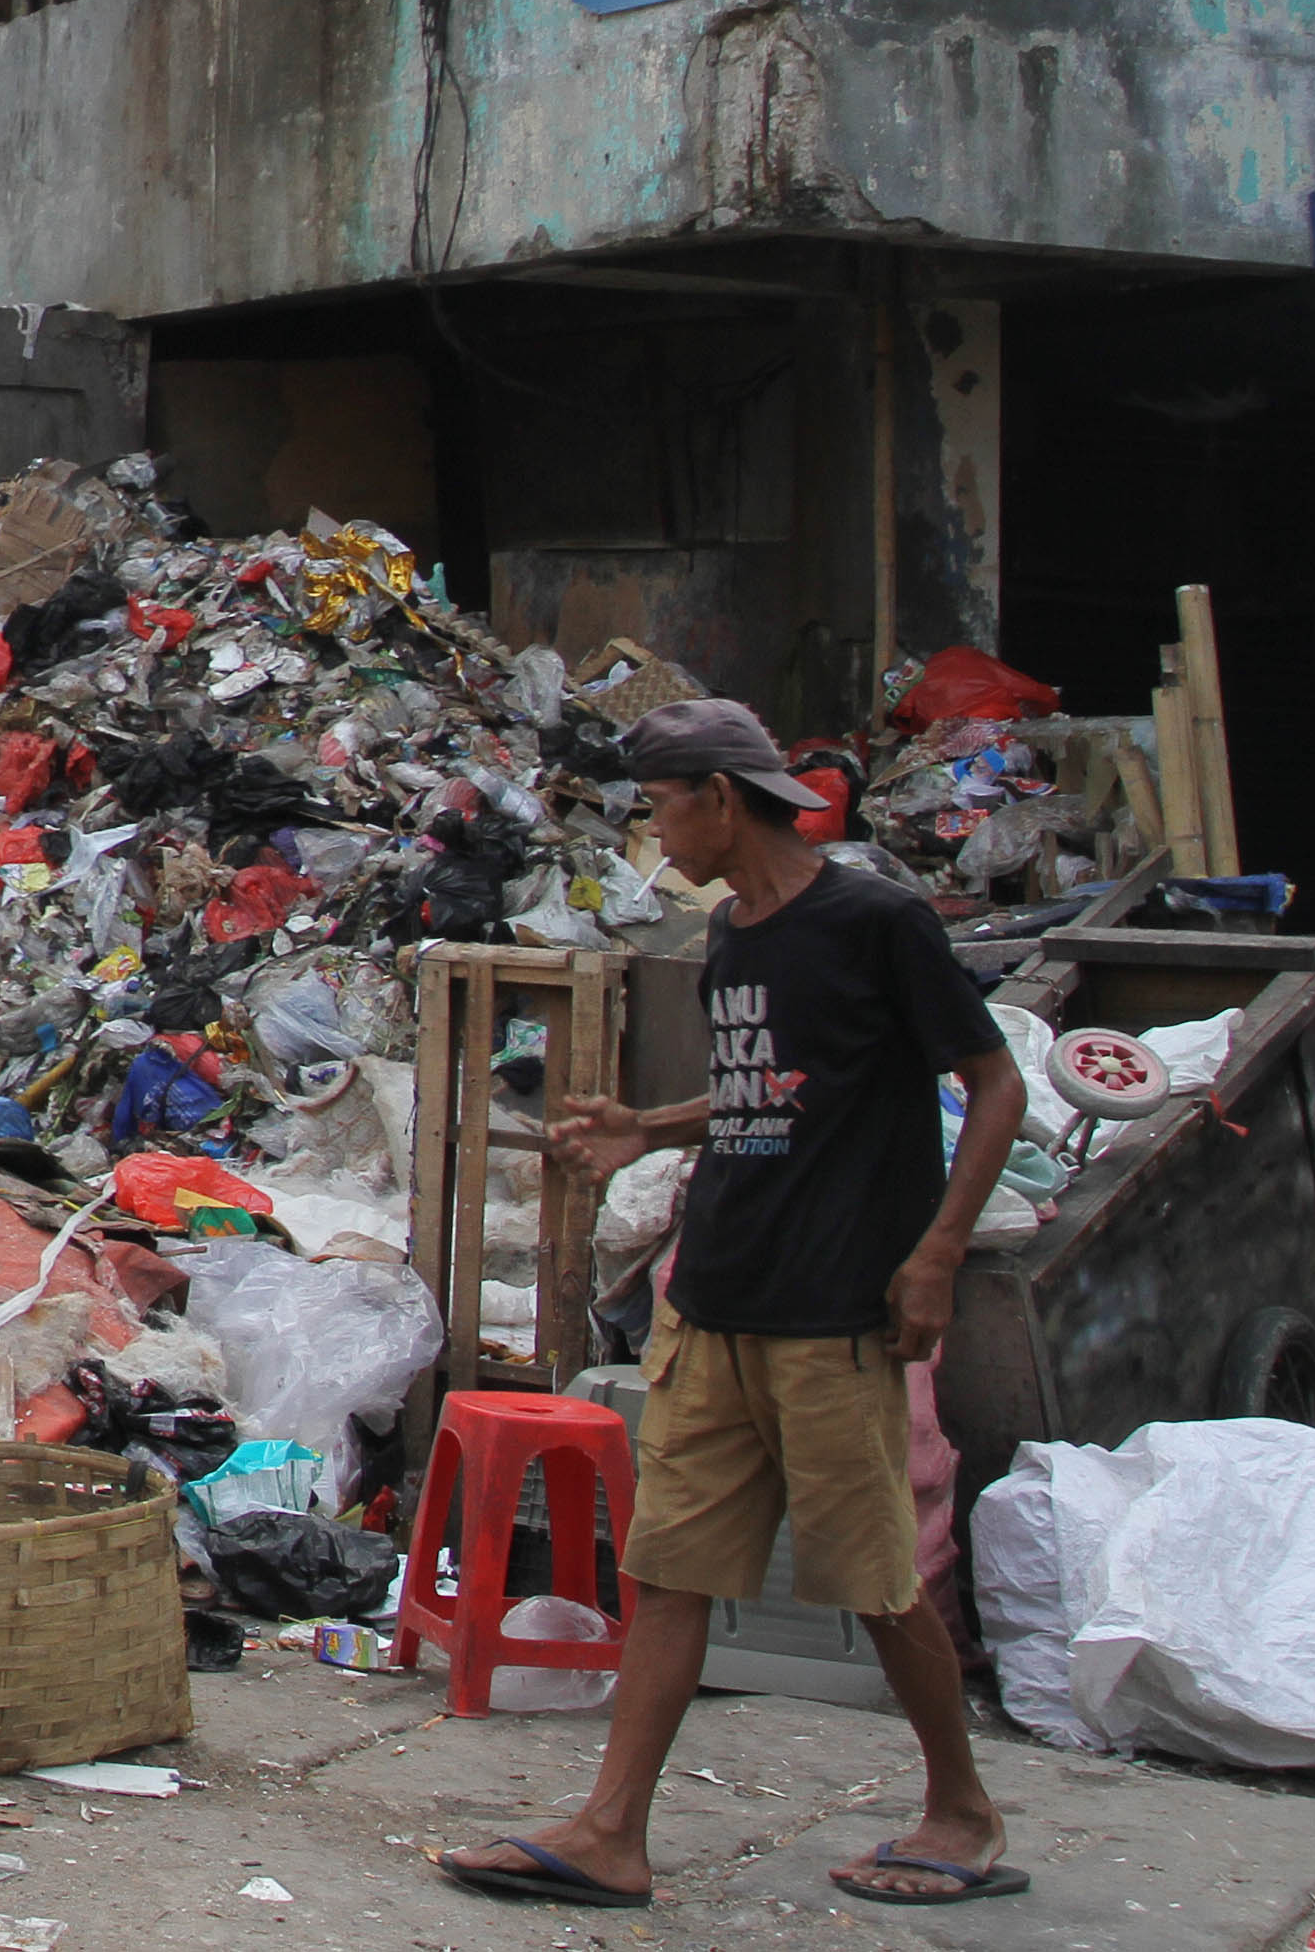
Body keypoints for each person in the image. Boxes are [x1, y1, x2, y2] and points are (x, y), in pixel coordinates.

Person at [439, 696, 1028, 1915]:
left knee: (874, 1577)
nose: (657, 838)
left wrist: (935, 1256)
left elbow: (993, 1081)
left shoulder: (872, 920)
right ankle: (610, 1832)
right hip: (713, 1296)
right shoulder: (735, 938)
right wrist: (647, 1125)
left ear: (717, 798)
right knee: (669, 1571)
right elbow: (772, 1086)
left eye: (660, 810)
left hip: (830, 1307)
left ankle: (960, 1809)